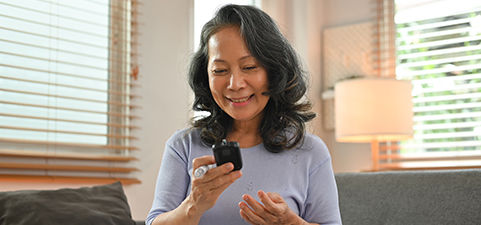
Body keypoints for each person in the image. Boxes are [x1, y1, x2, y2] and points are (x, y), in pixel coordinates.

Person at [146, 4, 342, 225]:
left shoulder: (310, 152)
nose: (235, 84)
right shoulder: (183, 146)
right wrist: (193, 206)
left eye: (249, 67)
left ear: (274, 71)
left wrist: (292, 223)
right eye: (220, 70)